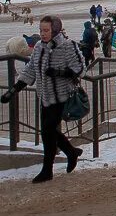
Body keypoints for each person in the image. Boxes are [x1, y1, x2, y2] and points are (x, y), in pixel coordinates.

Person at [1, 15, 85, 184]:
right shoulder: (39, 46)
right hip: (45, 96)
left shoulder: (68, 46)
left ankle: (48, 170)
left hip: (62, 96)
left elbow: (80, 69)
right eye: (41, 30)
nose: (43, 33)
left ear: (55, 30)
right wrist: (13, 90)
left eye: (46, 30)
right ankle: (70, 152)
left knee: (47, 130)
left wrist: (59, 72)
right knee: (48, 131)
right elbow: (30, 70)